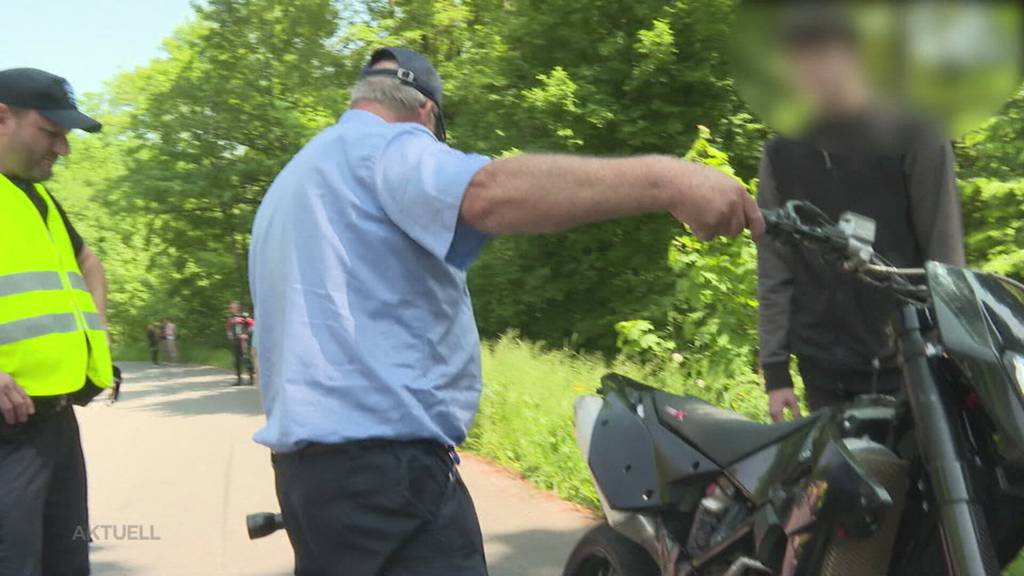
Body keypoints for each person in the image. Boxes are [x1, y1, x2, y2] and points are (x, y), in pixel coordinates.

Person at [249, 46, 763, 576]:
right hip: (389, 482)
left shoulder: (289, 187)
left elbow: (268, 352)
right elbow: (489, 194)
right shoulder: (391, 146)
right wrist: (670, 180)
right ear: (427, 113)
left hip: (307, 483)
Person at [757, 11, 966, 421]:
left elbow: (946, 256)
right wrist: (776, 372)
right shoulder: (781, 154)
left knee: (922, 481)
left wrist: (953, 351)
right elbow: (774, 267)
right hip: (822, 370)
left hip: (912, 363)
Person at [0, 68, 115, 575]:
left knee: (65, 560)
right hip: (7, 431)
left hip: (56, 422)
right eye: (51, 132)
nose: (63, 149)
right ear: (3, 117)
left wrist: (95, 335)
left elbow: (89, 262)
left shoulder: (35, 196)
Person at [226, 301, 255, 385]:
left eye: (233, 307)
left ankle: (251, 379)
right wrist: (229, 335)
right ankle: (239, 380)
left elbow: (252, 325)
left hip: (243, 341)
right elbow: (228, 328)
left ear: (237, 307)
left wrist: (246, 334)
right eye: (230, 308)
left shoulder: (244, 316)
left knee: (246, 358)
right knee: (237, 360)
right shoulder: (230, 318)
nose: (231, 309)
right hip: (235, 341)